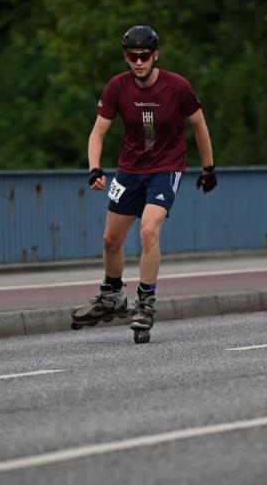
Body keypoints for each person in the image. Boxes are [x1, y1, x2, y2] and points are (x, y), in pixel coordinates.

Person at [71, 25, 217, 339]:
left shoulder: (177, 87)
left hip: (166, 169)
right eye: (132, 56)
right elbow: (97, 133)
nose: (139, 62)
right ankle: (111, 296)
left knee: (148, 229)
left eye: (144, 56)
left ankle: (145, 303)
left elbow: (200, 128)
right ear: (126, 57)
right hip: (128, 172)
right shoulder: (117, 87)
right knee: (111, 239)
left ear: (155, 55)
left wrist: (208, 169)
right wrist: (94, 169)